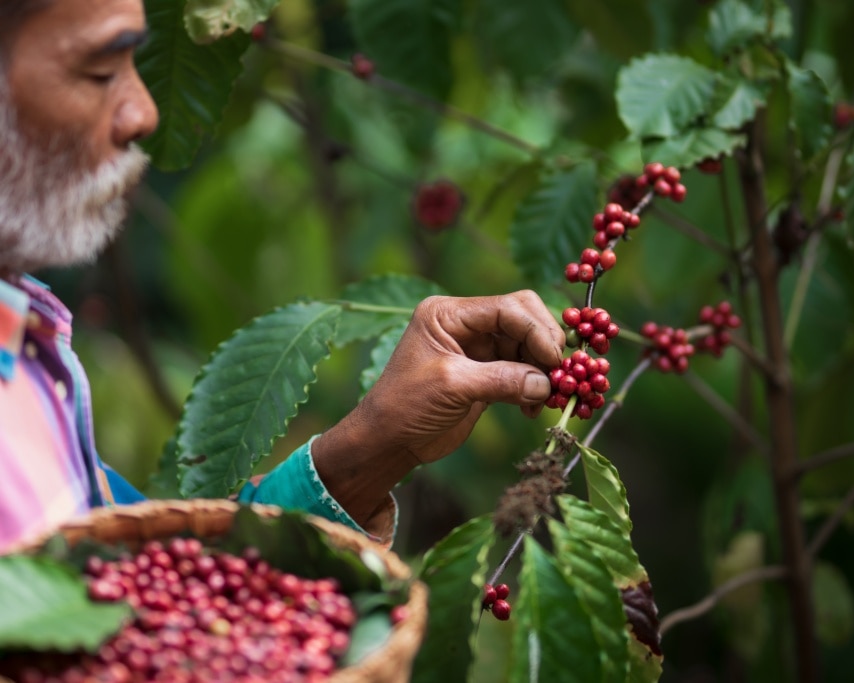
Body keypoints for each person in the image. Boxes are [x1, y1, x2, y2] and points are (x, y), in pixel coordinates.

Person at [0, 0, 565, 553]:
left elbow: (167, 588)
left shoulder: (28, 354)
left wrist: (371, 447)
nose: (145, 112)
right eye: (100, 70)